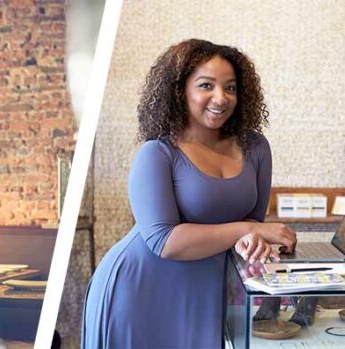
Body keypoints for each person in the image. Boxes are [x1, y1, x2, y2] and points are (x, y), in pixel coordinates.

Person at [82, 39, 298, 348]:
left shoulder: (256, 147)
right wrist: (250, 229)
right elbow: (163, 241)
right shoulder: (157, 152)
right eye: (206, 85)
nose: (221, 98)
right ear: (180, 90)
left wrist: (251, 238)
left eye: (231, 88)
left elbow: (252, 221)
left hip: (205, 292)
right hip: (138, 290)